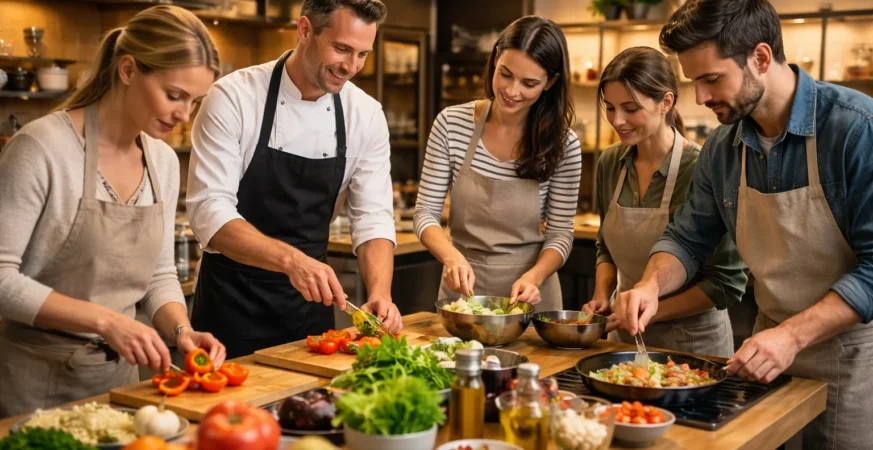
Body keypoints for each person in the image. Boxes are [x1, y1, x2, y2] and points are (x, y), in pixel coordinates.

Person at [613, 0, 873, 447]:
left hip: (851, 357)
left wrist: (792, 335)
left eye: (711, 79)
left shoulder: (855, 129)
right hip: (762, 351)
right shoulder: (722, 147)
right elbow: (687, 239)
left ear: (761, 57)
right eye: (694, 82)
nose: (700, 97)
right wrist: (650, 285)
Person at [0, 5, 226, 419]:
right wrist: (107, 322)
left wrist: (182, 331)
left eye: (194, 102)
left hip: (120, 389)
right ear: (127, 70)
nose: (183, 115)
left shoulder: (162, 161)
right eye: (174, 95)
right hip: (32, 385)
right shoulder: (42, 147)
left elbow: (159, 274)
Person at [187, 0, 402, 359]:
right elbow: (210, 211)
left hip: (311, 310)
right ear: (304, 30)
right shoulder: (234, 98)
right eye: (342, 49)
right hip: (231, 305)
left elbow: (373, 216)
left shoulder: (365, 114)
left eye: (363, 54)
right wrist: (292, 261)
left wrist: (380, 292)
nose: (351, 67)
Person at [583, 47, 747, 358]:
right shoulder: (610, 162)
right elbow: (605, 245)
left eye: (630, 109)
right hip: (622, 335)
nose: (617, 121)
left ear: (666, 102)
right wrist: (602, 295)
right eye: (610, 107)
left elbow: (726, 281)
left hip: (694, 344)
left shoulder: (704, 167)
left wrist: (651, 309)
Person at [414, 16, 581, 310]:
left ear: (550, 82)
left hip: (531, 298)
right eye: (505, 74)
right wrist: (451, 257)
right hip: (462, 296)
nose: (512, 90)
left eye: (529, 83)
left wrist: (535, 276)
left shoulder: (563, 144)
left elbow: (560, 233)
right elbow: (425, 214)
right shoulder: (452, 124)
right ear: (494, 60)